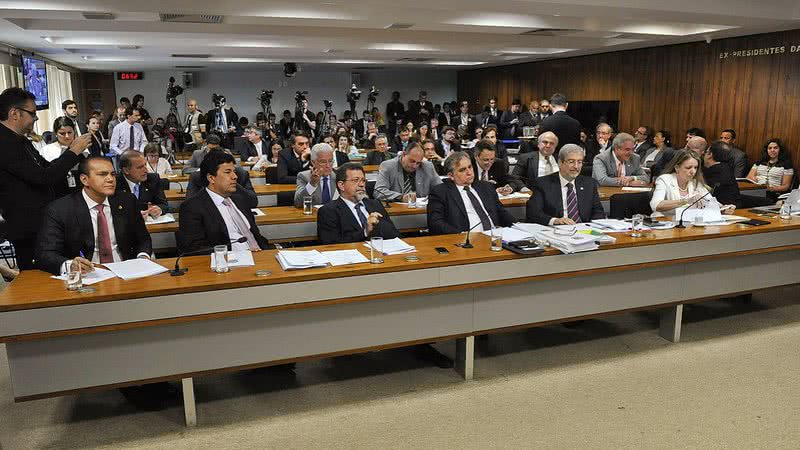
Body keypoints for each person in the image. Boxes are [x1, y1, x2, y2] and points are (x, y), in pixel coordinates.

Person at [0, 88, 91, 269]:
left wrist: (76, 154)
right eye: (32, 113)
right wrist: (73, 151)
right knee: (38, 278)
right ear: (14, 113)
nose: (36, 118)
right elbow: (43, 177)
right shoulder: (4, 143)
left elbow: (47, 167)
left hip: (43, 221)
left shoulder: (21, 140)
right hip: (28, 226)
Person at [35, 156, 153, 275]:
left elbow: (143, 239)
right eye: (102, 174)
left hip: (126, 272)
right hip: (86, 276)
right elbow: (46, 254)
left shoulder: (127, 201)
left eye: (112, 174)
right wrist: (70, 265)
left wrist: (142, 258)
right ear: (84, 179)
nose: (110, 179)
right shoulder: (60, 209)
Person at [177, 151, 268, 253]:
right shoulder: (192, 207)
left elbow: (255, 235)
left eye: (234, 171)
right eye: (228, 172)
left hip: (261, 255)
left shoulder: (240, 199)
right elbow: (195, 249)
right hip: (230, 261)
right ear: (211, 178)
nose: (235, 176)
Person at [427, 151, 516, 235]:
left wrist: (518, 225)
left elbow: (501, 213)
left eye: (470, 167)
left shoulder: (486, 187)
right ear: (451, 175)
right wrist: (460, 235)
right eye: (462, 170)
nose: (469, 173)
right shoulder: (440, 192)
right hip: (466, 240)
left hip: (494, 237)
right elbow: (435, 223)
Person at [317, 162, 399, 244]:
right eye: (355, 180)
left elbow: (394, 235)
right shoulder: (328, 211)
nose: (362, 184)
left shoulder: (375, 204)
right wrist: (365, 232)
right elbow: (331, 244)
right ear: (341, 185)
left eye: (363, 180)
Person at [525, 144, 605, 225]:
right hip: (556, 231)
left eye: (579, 162)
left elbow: (598, 213)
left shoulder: (589, 184)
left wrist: (592, 227)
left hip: (585, 231)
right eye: (571, 162)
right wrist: (555, 221)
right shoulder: (542, 184)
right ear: (560, 163)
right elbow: (533, 213)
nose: (576, 166)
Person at [650, 148, 735, 218]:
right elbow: (656, 205)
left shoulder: (695, 182)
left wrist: (723, 208)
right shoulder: (664, 180)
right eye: (688, 167)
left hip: (689, 223)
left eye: (695, 167)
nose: (693, 171)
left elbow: (709, 200)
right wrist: (686, 201)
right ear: (677, 168)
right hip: (664, 223)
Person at [186, 147, 256, 207]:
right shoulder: (197, 177)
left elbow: (253, 202)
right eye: (227, 172)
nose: (234, 176)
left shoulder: (241, 174)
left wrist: (233, 184)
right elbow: (189, 204)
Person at [374, 142, 442, 202]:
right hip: (397, 212)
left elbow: (441, 189)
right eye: (412, 161)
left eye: (418, 163)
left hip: (423, 210)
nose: (414, 166)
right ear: (404, 154)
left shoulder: (427, 166)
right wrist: (401, 197)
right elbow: (379, 191)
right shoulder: (388, 166)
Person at [115, 150, 168, 218]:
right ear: (126, 170)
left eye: (145, 165)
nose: (146, 170)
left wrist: (159, 209)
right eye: (140, 167)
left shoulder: (153, 179)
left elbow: (164, 204)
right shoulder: (115, 183)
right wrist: (133, 215)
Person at [745, 138, 794, 203]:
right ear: (767, 150)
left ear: (780, 150)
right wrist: (755, 180)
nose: (772, 150)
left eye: (775, 148)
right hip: (756, 189)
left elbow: (786, 186)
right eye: (770, 148)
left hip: (772, 193)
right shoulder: (759, 162)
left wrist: (771, 188)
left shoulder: (786, 165)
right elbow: (748, 177)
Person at [294, 143, 339, 208]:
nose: (328, 166)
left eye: (330, 161)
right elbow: (298, 203)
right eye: (323, 162)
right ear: (313, 162)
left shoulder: (338, 175)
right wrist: (312, 184)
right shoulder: (304, 176)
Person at [702, 141, 741, 206]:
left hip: (724, 210)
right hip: (734, 206)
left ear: (710, 154)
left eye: (706, 152)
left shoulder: (712, 171)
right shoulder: (726, 168)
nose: (703, 153)